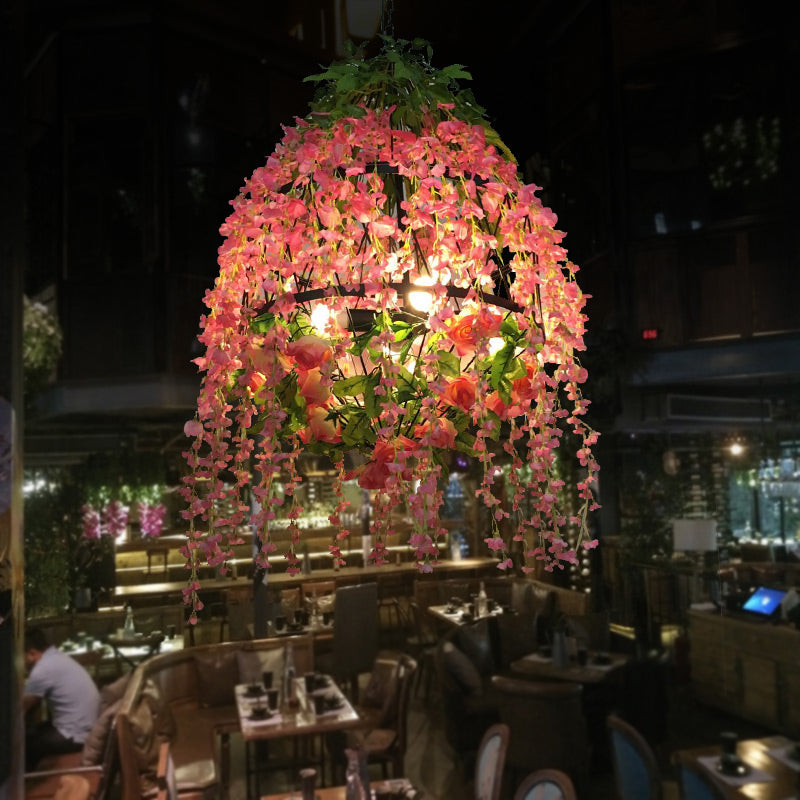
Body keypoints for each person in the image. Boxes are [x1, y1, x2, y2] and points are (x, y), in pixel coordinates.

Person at [23, 627, 101, 770]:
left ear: (31, 654)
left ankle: (30, 781)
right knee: (33, 731)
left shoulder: (42, 669)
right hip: (88, 728)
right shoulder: (56, 657)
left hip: (76, 736)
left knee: (25, 744)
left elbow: (20, 710)